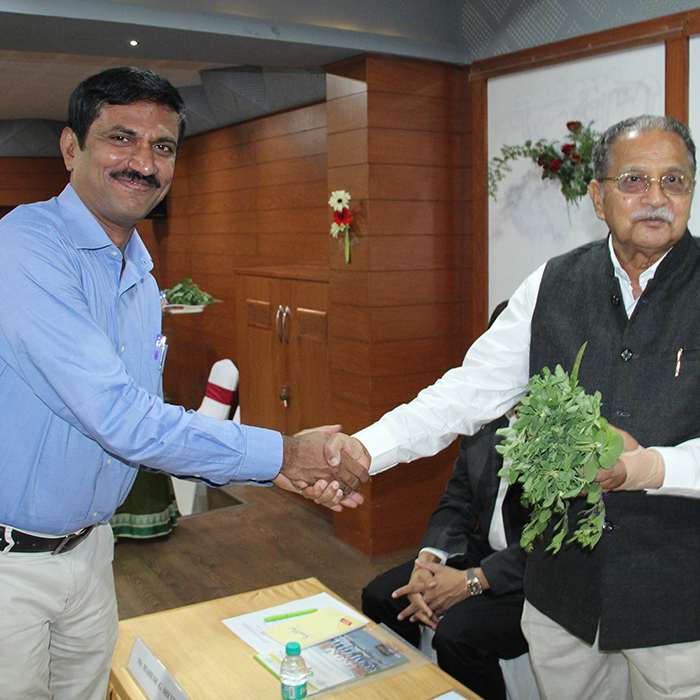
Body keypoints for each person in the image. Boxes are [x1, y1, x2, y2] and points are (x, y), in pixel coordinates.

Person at [0, 66, 368, 700]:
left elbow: (144, 419)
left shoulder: (140, 276)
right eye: (121, 138)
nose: (144, 163)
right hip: (11, 568)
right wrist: (281, 453)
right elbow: (121, 419)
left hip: (91, 551)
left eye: (163, 146)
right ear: (70, 147)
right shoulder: (24, 249)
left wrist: (272, 470)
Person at [321, 114, 700, 700]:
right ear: (597, 197)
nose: (656, 197)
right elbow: (466, 393)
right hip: (561, 602)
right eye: (633, 180)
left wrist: (649, 467)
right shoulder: (552, 284)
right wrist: (364, 449)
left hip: (678, 604)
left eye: (674, 181)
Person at [362, 413, 530, 700]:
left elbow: (552, 541)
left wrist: (472, 581)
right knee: (382, 597)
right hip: (484, 549)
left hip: (533, 571)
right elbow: (458, 499)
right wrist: (427, 561)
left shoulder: (557, 430)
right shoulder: (487, 418)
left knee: (457, 636)